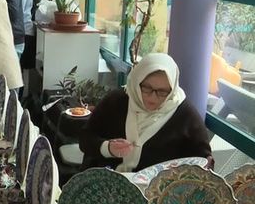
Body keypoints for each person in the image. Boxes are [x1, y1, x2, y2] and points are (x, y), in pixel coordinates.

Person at [79, 53, 213, 172]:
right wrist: (107, 148)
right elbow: (85, 138)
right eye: (146, 88)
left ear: (172, 90)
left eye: (162, 92)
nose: (153, 97)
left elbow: (204, 161)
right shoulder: (116, 101)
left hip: (155, 194)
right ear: (137, 82)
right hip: (105, 184)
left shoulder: (185, 115)